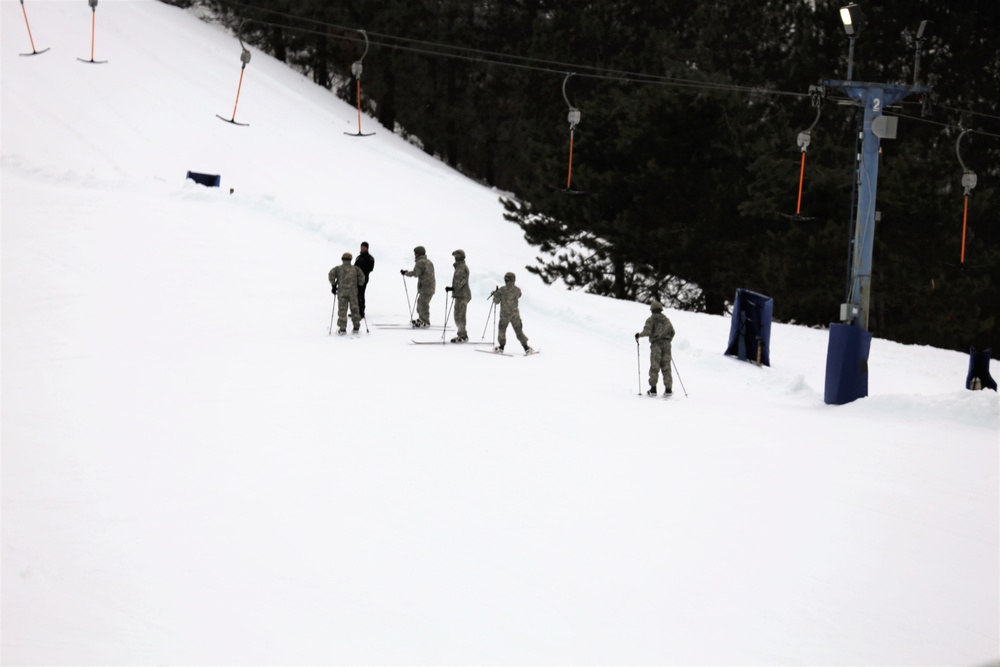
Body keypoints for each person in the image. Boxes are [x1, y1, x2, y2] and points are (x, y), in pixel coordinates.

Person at [635, 300, 675, 395]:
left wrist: (639, 335)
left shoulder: (651, 319)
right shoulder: (666, 320)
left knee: (655, 366)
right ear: (661, 309)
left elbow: (647, 332)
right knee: (666, 367)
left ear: (652, 310)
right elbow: (673, 332)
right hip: (666, 345)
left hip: (656, 345)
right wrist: (668, 340)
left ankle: (653, 389)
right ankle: (668, 390)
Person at [492, 271, 532, 353]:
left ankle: (501, 347)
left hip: (504, 315)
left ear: (505, 280)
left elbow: (496, 302)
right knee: (519, 331)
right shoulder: (517, 290)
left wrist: (495, 294)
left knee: (502, 330)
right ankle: (526, 347)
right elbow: (519, 295)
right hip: (515, 315)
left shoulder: (502, 290)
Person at [328, 252, 366, 334]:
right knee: (355, 309)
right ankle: (356, 327)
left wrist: (333, 285)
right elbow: (362, 277)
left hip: (342, 293)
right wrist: (359, 286)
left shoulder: (338, 269)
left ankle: (342, 329)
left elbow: (331, 275)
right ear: (351, 259)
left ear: (342, 259)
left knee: (342, 310)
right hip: (353, 292)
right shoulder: (356, 269)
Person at [400, 245, 435, 327]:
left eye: (415, 253)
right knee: (421, 303)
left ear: (418, 254)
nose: (415, 255)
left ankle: (425, 321)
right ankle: (421, 319)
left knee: (423, 304)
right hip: (429, 287)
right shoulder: (429, 262)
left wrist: (406, 273)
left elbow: (416, 273)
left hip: (425, 287)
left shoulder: (420, 262)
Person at [446, 249, 471, 342]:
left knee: (460, 315)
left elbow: (461, 281)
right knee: (457, 315)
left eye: (456, 256)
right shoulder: (459, 267)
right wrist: (453, 288)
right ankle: (461, 334)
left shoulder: (462, 267)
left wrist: (453, 288)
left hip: (463, 295)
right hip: (459, 294)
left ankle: (463, 335)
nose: (455, 258)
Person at [354, 241, 375, 318]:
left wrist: (360, 272)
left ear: (367, 248)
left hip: (363, 279)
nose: (362, 248)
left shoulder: (370, 258)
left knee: (361, 294)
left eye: (364, 247)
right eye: (361, 246)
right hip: (355, 279)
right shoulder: (358, 257)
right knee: (356, 294)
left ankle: (361, 311)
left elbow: (370, 268)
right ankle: (356, 310)